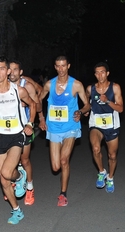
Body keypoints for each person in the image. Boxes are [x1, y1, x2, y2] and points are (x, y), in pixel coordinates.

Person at [0, 56, 36, 224]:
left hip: (16, 136)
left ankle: (19, 177)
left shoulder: (18, 90)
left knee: (5, 172)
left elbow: (33, 105)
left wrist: (30, 124)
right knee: (4, 179)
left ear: (8, 71)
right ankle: (16, 210)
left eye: (2, 69)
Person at [38, 55, 90, 206]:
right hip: (54, 127)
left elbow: (87, 105)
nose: (61, 69)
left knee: (64, 160)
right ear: (55, 67)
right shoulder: (49, 85)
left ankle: (63, 194)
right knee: (55, 167)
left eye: (63, 66)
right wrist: (40, 118)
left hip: (70, 127)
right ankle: (63, 184)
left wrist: (80, 111)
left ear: (68, 66)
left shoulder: (76, 85)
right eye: (58, 66)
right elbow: (38, 100)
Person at [8, 60, 44, 205]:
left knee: (24, 160)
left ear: (20, 72)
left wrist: (29, 103)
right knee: (9, 162)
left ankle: (29, 187)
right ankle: (13, 183)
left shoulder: (27, 86)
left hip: (24, 128)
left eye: (15, 69)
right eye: (10, 70)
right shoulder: (2, 86)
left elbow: (38, 106)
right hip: (8, 129)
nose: (12, 73)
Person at [86, 62, 123, 193]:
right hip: (96, 124)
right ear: (95, 74)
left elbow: (120, 108)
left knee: (112, 155)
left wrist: (107, 101)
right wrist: (84, 110)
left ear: (107, 73)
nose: (100, 75)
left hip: (112, 125)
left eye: (102, 72)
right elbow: (87, 103)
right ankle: (101, 171)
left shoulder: (115, 87)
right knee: (96, 149)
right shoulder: (90, 88)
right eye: (97, 72)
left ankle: (110, 178)